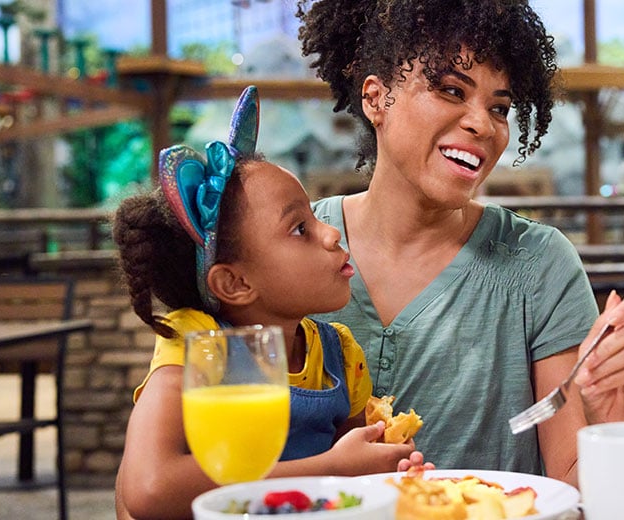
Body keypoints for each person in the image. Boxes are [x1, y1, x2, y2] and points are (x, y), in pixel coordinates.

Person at [295, 0, 624, 485]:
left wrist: (613, 426)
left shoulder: (540, 265)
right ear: (376, 98)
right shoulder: (291, 249)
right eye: (451, 90)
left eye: (499, 108)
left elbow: (571, 484)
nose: (483, 125)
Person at [111, 86, 425, 519]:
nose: (332, 234)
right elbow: (148, 489)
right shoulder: (195, 343)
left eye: (315, 217)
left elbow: (352, 484)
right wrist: (330, 469)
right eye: (300, 228)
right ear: (236, 283)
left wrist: (384, 468)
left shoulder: (340, 355)